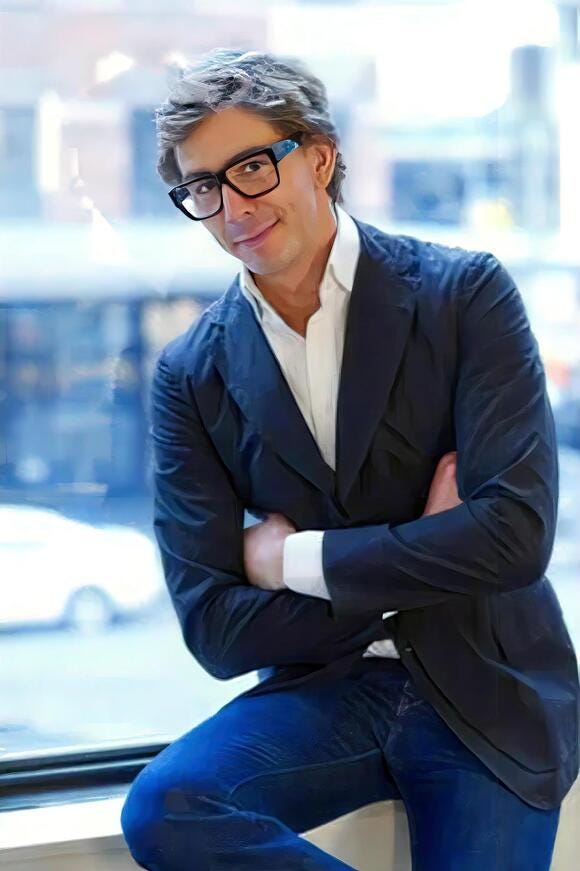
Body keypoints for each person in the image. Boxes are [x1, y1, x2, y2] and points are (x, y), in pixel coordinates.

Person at [120, 49, 579, 870]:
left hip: (489, 686)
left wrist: (290, 559)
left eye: (252, 167)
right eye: (204, 187)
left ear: (320, 157)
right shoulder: (191, 372)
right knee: (168, 808)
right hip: (325, 691)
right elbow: (216, 630)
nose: (232, 207)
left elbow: (514, 537)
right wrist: (432, 554)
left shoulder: (464, 295)